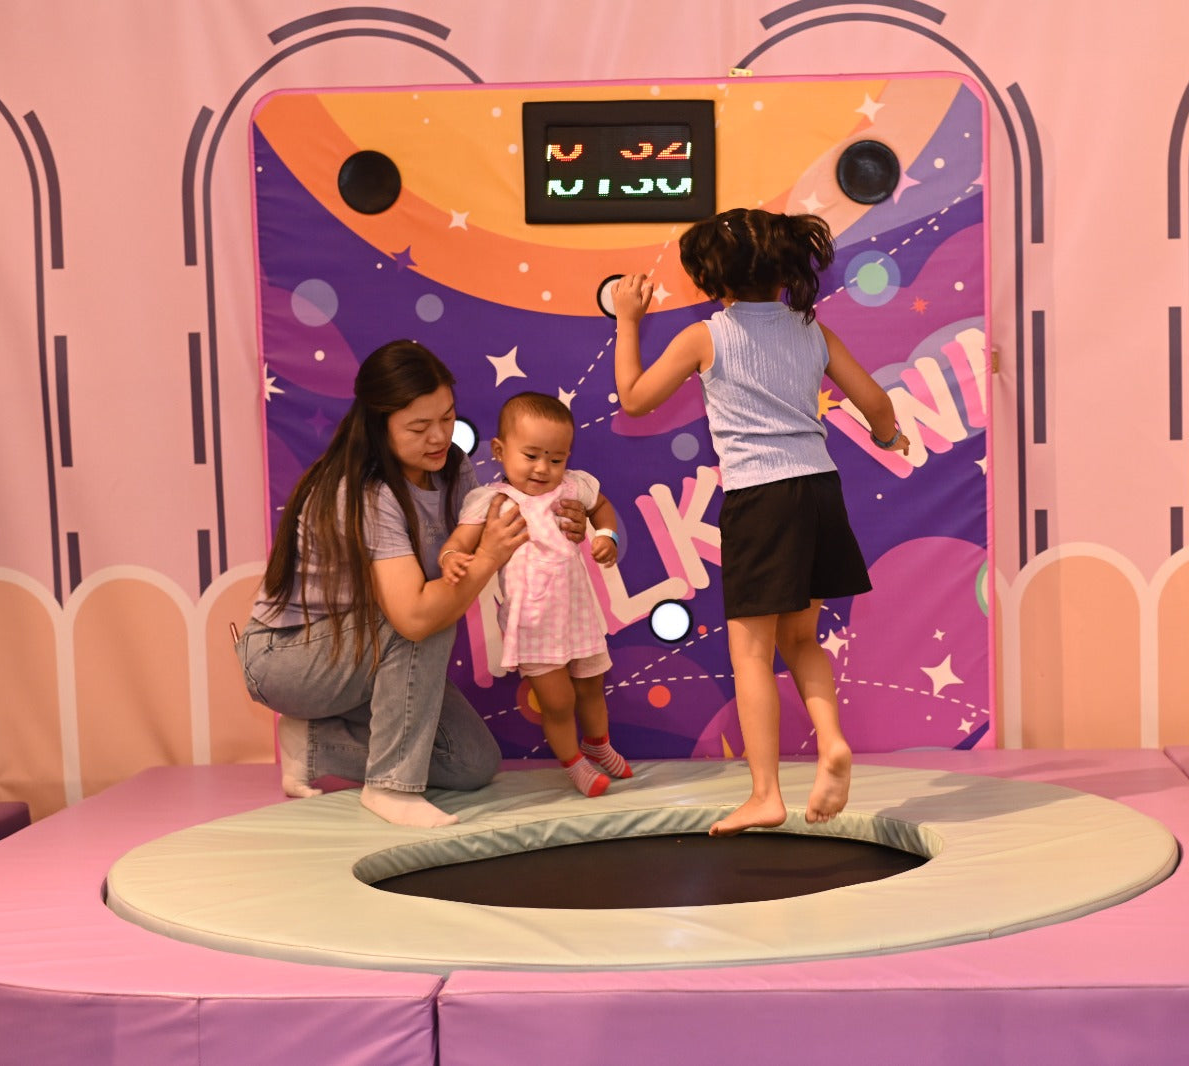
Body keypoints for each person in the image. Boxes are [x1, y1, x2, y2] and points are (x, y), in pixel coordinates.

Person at [610, 207, 911, 836]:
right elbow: (875, 401)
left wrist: (628, 322)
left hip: (760, 498)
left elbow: (635, 400)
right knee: (800, 639)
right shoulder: (810, 329)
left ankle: (765, 793)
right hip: (818, 491)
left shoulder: (707, 336)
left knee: (750, 652)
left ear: (713, 280)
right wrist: (889, 436)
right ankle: (830, 740)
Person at [237, 340, 586, 828]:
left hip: (360, 652)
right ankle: (390, 787)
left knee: (471, 763)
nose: (440, 436)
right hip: (289, 658)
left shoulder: (453, 468)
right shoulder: (363, 492)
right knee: (424, 613)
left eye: (447, 417)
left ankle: (316, 745)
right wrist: (486, 557)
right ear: (379, 424)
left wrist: (558, 520)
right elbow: (416, 615)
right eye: (419, 427)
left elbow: (498, 522)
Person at [438, 392, 631, 797]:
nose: (544, 468)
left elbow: (604, 507)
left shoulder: (574, 486)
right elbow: (461, 538)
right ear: (499, 450)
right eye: (531, 456)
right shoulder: (493, 500)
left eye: (556, 459)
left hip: (577, 612)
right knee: (558, 701)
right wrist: (452, 556)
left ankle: (597, 743)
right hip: (533, 621)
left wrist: (607, 535)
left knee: (593, 685)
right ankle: (574, 764)